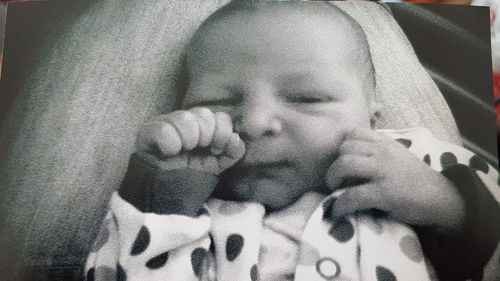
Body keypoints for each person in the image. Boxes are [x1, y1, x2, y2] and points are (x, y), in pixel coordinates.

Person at [85, 1, 500, 280]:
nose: (254, 122)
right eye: (217, 100)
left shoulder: (410, 159)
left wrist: (449, 204)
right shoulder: (191, 209)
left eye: (307, 98)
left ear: (372, 119)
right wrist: (163, 206)